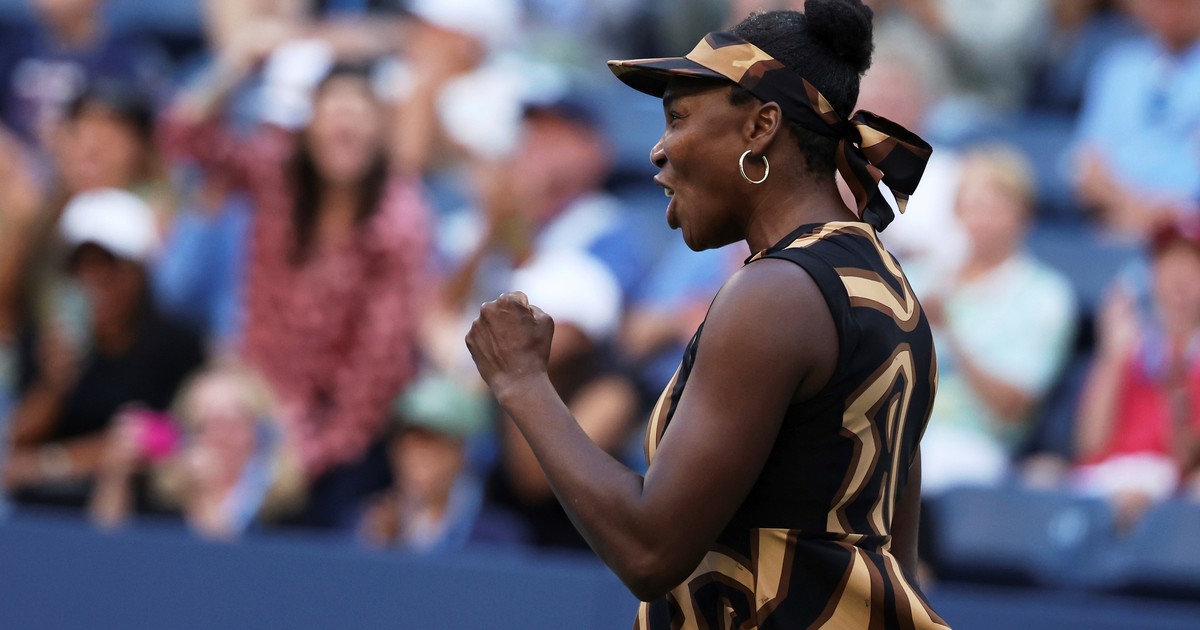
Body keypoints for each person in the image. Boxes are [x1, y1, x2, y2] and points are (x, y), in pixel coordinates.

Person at [466, 3, 948, 628]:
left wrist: (522, 381)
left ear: (761, 126)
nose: (658, 151)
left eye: (678, 118)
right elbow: (893, 560)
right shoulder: (888, 287)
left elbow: (649, 550)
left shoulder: (776, 293)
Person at [163, 60, 432, 529]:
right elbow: (183, 137)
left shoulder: (399, 221)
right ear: (310, 126)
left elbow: (378, 367)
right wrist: (238, 61)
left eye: (358, 116)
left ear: (381, 130)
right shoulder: (276, 177)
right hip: (253, 410)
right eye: (333, 114)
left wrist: (305, 455)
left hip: (333, 449)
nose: (344, 128)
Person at [4, 189, 205, 509]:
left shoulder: (178, 346)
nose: (94, 279)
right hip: (44, 511)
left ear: (139, 271)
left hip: (141, 512)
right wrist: (54, 384)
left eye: (109, 265)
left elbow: (164, 440)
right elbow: (15, 444)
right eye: (80, 266)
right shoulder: (47, 339)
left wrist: (48, 465)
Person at [914, 146, 1077, 494]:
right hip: (899, 429)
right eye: (973, 206)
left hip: (974, 445)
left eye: (996, 207)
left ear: (1023, 215)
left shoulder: (1046, 296)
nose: (982, 220)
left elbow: (1012, 407)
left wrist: (950, 333)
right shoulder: (920, 277)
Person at [1073, 218, 1200, 529]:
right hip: (1104, 479)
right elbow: (1089, 444)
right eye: (1169, 266)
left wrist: (1175, 382)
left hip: (1165, 488)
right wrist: (1112, 357)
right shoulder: (1128, 345)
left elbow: (1185, 460)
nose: (1179, 282)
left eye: (1191, 268)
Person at [90, 361, 305, 539]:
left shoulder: (285, 508)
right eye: (204, 424)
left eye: (231, 421)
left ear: (260, 431)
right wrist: (115, 476)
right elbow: (105, 552)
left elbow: (227, 568)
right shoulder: (164, 499)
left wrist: (207, 496)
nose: (218, 436)